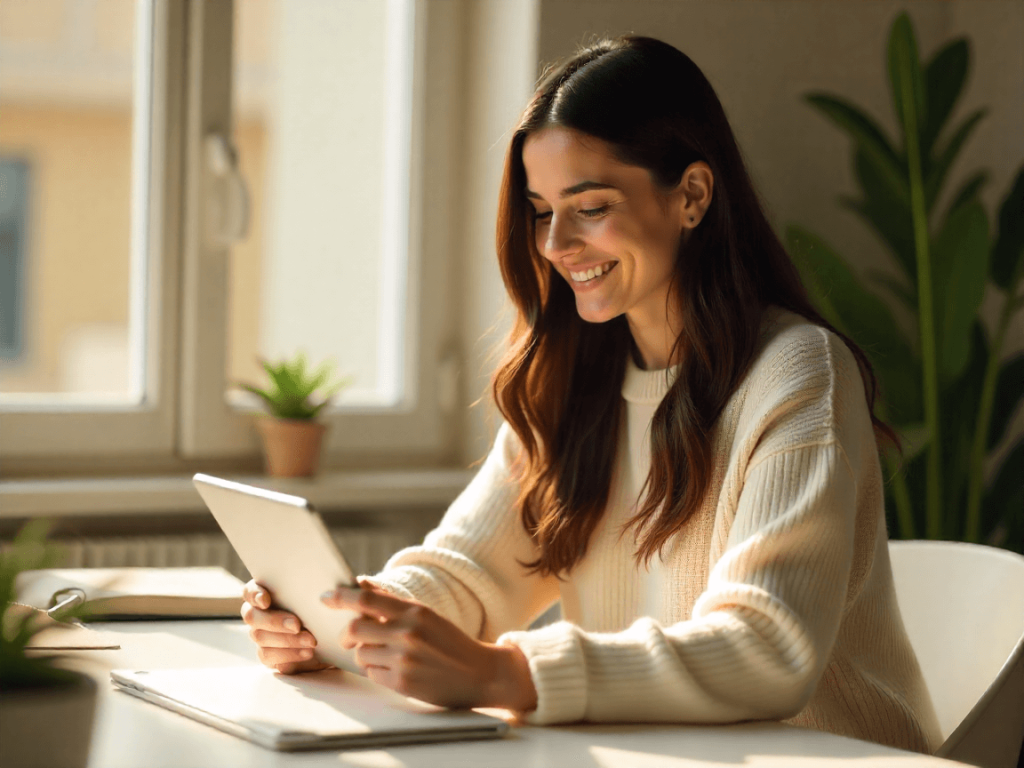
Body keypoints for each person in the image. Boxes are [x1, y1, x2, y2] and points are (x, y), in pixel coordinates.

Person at [240, 36, 942, 754]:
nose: (554, 244)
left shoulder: (797, 373)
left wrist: (511, 674)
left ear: (692, 196)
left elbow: (767, 650)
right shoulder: (573, 381)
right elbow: (471, 574)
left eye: (591, 206)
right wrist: (348, 620)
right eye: (542, 211)